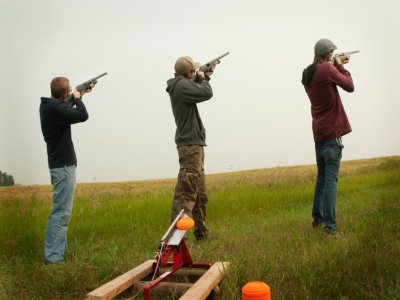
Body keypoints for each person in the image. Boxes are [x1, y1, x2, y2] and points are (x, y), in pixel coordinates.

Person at [301, 39, 355, 237]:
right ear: (328, 55)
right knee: (331, 180)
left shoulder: (308, 74)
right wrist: (341, 66)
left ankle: (317, 219)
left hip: (319, 133)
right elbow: (349, 86)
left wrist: (335, 65)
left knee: (322, 179)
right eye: (332, 54)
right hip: (332, 132)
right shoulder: (326, 69)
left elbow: (324, 75)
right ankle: (330, 228)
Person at [39, 76, 95, 264]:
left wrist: (82, 93)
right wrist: (78, 98)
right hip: (63, 167)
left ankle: (56, 253)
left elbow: (66, 110)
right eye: (69, 91)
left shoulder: (49, 107)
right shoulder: (54, 109)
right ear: (65, 94)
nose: (71, 92)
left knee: (62, 212)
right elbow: (82, 115)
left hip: (60, 166)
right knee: (61, 213)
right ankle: (53, 258)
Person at [166, 56, 214, 241]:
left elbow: (200, 89)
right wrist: (203, 77)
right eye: (193, 71)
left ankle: (201, 233)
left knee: (200, 194)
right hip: (190, 147)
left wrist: (203, 76)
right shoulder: (181, 87)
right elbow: (207, 93)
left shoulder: (182, 85)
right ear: (189, 73)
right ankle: (175, 240)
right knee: (186, 194)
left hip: (194, 145)